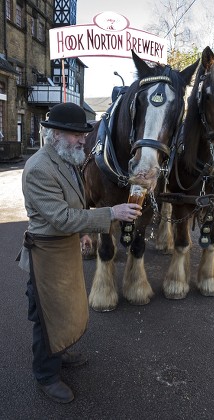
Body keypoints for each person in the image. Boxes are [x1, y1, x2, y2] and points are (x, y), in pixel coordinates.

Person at [18, 102, 142, 404]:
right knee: (46, 316)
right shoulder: (38, 169)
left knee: (66, 308)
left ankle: (60, 352)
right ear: (56, 134)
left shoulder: (67, 159)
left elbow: (76, 204)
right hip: (45, 255)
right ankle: (46, 374)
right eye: (77, 134)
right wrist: (110, 213)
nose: (84, 139)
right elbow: (61, 217)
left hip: (64, 249)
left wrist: (85, 232)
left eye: (83, 134)